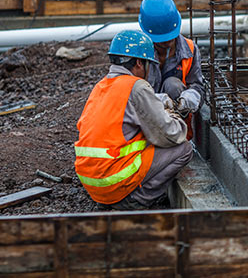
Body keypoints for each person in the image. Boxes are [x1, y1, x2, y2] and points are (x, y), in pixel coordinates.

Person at [74, 29, 192, 210]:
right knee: (183, 149)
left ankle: (115, 196)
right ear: (139, 63)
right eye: (148, 65)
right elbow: (170, 135)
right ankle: (136, 200)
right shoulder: (136, 86)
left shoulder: (100, 87)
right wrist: (174, 116)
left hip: (91, 181)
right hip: (111, 180)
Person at [139, 0, 204, 140]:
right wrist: (154, 101)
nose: (168, 42)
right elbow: (127, 92)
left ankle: (177, 137)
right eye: (161, 40)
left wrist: (191, 97)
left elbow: (198, 85)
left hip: (176, 120)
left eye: (170, 37)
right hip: (143, 117)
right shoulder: (138, 52)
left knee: (173, 85)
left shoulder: (190, 49)